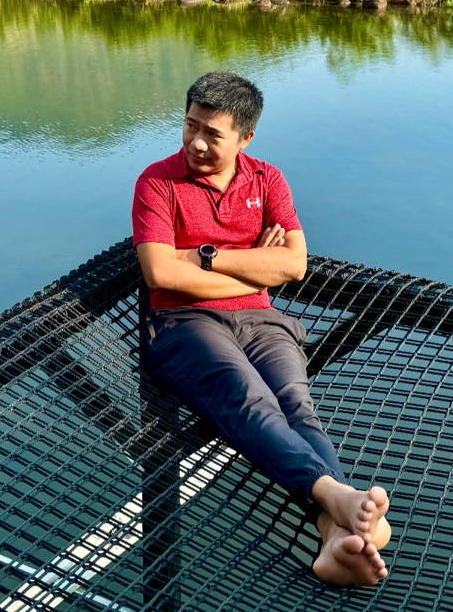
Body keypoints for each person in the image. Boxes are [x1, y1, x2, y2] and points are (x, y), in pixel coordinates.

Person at [132, 71, 391, 586]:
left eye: (213, 134)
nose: (196, 142)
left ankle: (332, 532)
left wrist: (204, 257)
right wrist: (254, 266)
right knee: (251, 399)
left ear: (245, 138)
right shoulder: (156, 183)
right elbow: (161, 274)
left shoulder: (267, 181)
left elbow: (293, 265)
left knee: (296, 402)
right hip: (184, 323)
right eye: (190, 125)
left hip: (262, 320)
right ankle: (336, 496)